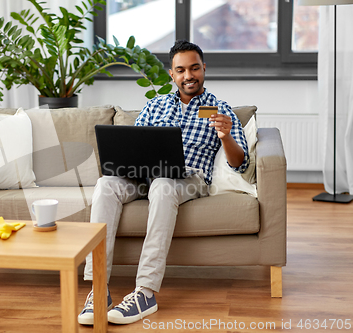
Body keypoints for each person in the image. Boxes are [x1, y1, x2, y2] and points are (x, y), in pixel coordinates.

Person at [78, 40, 249, 325]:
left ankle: (145, 292)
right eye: (180, 70)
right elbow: (133, 147)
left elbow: (239, 162)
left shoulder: (221, 110)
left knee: (163, 184)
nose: (188, 76)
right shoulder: (154, 106)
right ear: (172, 74)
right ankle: (98, 289)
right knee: (106, 184)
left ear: (204, 69)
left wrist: (226, 136)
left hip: (188, 179)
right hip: (143, 175)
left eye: (194, 68)